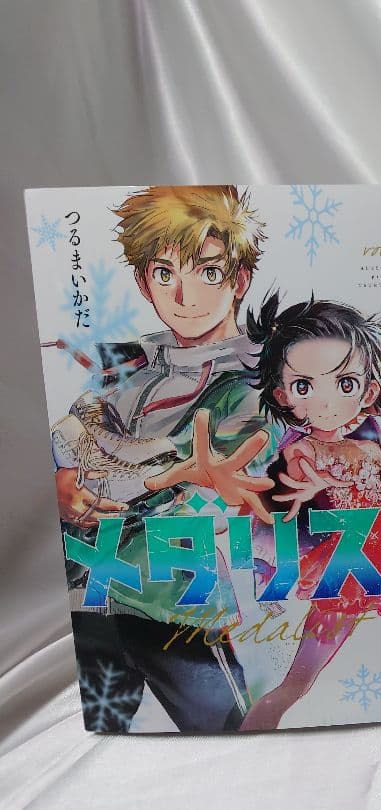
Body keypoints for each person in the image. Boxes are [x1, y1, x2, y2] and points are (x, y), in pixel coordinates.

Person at [53, 185, 275, 732]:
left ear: (239, 279)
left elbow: (209, 478)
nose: (185, 295)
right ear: (142, 281)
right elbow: (70, 436)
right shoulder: (127, 366)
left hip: (173, 598)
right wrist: (63, 483)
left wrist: (121, 476)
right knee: (101, 740)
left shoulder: (257, 381)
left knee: (234, 738)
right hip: (90, 592)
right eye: (164, 272)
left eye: (208, 272)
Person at [238, 294, 381, 730]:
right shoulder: (301, 451)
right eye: (304, 386)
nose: (326, 401)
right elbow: (296, 485)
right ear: (283, 394)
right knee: (294, 685)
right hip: (344, 568)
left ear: (368, 390)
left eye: (345, 383)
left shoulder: (372, 450)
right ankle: (247, 737)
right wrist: (314, 487)